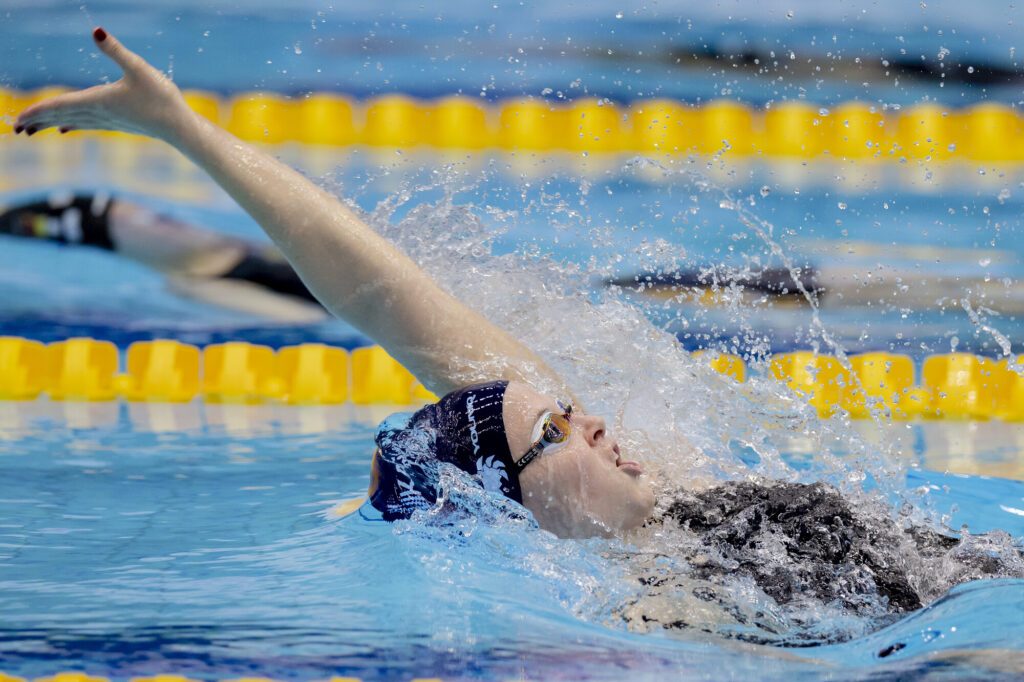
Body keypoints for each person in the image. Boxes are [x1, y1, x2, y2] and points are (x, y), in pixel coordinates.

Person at [14, 29, 1021, 632]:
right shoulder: (642, 607)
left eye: (569, 413)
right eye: (554, 436)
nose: (588, 424)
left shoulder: (670, 477)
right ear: (507, 506)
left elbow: (375, 292)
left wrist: (188, 131)